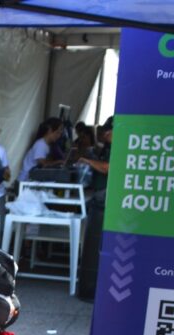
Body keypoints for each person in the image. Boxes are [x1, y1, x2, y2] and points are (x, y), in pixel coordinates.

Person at [77, 116, 115, 301]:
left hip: (106, 199)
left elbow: (108, 168)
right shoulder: (107, 147)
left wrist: (87, 160)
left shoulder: (119, 147)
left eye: (107, 132)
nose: (104, 135)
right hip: (100, 197)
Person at [18, 117, 64, 182]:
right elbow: (44, 164)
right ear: (50, 130)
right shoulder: (40, 144)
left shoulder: (47, 145)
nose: (59, 136)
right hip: (26, 181)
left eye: (60, 133)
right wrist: (58, 162)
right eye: (57, 132)